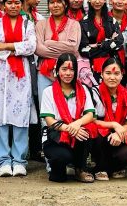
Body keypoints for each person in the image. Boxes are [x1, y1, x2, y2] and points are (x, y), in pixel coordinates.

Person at [0, 0, 36, 177]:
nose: (13, 6)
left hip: (21, 77)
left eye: (17, 3)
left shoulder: (27, 23)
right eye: (9, 3)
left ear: (22, 4)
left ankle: (19, 160)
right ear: (3, 5)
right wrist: (16, 48)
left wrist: (6, 46)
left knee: (20, 117)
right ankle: (3, 161)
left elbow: (31, 46)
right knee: (0, 116)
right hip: (0, 75)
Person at [40, 53, 95, 182]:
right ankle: (57, 168)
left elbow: (90, 115)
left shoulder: (83, 89)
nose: (68, 73)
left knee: (87, 131)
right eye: (64, 69)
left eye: (72, 70)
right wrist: (71, 128)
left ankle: (80, 169)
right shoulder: (48, 91)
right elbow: (50, 121)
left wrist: (76, 124)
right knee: (59, 175)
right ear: (57, 70)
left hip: (77, 131)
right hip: (56, 135)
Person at [88, 56, 127, 180]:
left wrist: (118, 133)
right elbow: (91, 120)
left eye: (116, 74)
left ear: (122, 75)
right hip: (100, 137)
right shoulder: (93, 93)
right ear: (101, 74)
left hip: (118, 135)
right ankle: (100, 168)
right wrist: (114, 125)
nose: (112, 77)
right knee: (97, 134)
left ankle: (111, 168)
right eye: (108, 73)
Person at [35, 0, 81, 98]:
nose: (55, 5)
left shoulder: (74, 24)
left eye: (59, 2)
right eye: (52, 2)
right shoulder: (41, 24)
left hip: (67, 72)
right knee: (45, 104)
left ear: (66, 4)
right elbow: (38, 49)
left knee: (67, 104)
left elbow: (73, 48)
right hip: (44, 73)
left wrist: (48, 43)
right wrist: (64, 51)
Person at [79, 0, 124, 78]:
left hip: (112, 67)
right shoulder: (83, 23)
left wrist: (97, 45)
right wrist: (109, 42)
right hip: (90, 69)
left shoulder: (112, 21)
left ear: (105, 0)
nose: (97, 1)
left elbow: (119, 42)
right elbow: (83, 50)